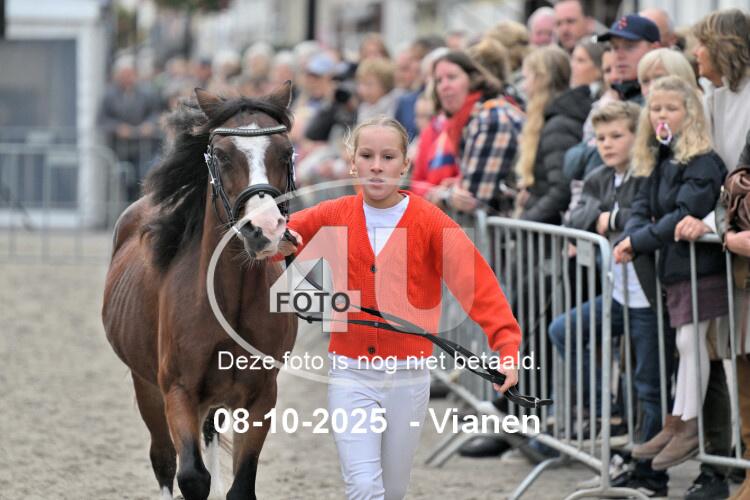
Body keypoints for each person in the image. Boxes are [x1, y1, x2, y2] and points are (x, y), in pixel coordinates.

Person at [278, 116, 522, 500]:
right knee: (363, 486)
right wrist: (275, 239)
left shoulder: (430, 221)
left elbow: (478, 286)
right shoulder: (332, 213)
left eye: (388, 157)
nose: (377, 166)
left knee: (392, 491)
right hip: (350, 372)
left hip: (409, 376)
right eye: (367, 156)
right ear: (352, 163)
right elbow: (272, 239)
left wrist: (506, 346)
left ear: (405, 165)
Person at [552, 100, 672, 497]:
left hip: (650, 296)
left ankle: (651, 475)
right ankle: (611, 414)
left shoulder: (648, 173)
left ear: (637, 137)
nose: (606, 144)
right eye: (601, 137)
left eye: (617, 136)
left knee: (649, 386)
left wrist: (613, 219)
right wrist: (603, 219)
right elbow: (575, 216)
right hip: (617, 294)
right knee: (564, 330)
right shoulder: (601, 176)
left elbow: (650, 219)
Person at [614, 76, 727, 473]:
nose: (661, 115)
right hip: (675, 266)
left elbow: (683, 212)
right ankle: (677, 419)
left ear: (689, 113)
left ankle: (689, 422)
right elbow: (642, 205)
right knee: (685, 342)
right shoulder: (662, 157)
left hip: (699, 266)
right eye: (656, 108)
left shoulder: (703, 161)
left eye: (671, 108)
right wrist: (635, 234)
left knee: (691, 341)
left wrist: (639, 240)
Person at [418, 51, 524, 215]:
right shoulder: (468, 121)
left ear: (473, 80)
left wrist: (442, 195)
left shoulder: (491, 118)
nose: (444, 86)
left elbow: (472, 198)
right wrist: (454, 187)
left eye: (452, 77)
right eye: (439, 81)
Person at [516, 45, 591, 224]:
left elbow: (561, 190)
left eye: (526, 78)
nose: (524, 87)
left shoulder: (558, 125)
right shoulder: (553, 118)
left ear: (541, 79)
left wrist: (525, 221)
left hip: (551, 232)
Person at [99, 54, 163, 202]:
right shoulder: (109, 95)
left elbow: (156, 113)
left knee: (142, 179)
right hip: (119, 148)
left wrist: (149, 125)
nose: (128, 78)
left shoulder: (147, 92)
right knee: (124, 180)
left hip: (143, 148)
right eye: (124, 75)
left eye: (130, 74)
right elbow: (102, 120)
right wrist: (118, 128)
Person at [355, 58, 400, 123]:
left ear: (385, 85)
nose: (362, 89)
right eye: (360, 83)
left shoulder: (395, 105)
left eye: (369, 84)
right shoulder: (364, 108)